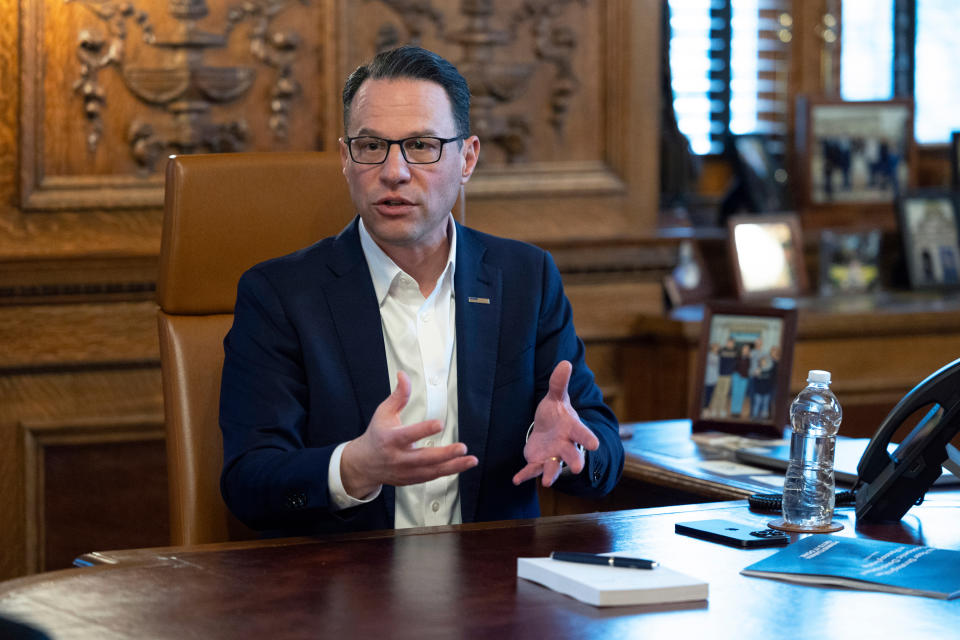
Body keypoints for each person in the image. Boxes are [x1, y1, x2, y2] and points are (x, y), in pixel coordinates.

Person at [218, 46, 624, 536]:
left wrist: (574, 449)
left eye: (422, 146)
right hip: (342, 593)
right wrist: (353, 468)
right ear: (346, 159)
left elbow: (601, 445)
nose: (394, 172)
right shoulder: (280, 295)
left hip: (495, 592)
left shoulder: (525, 279)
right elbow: (249, 482)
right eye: (371, 147)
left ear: (467, 158)